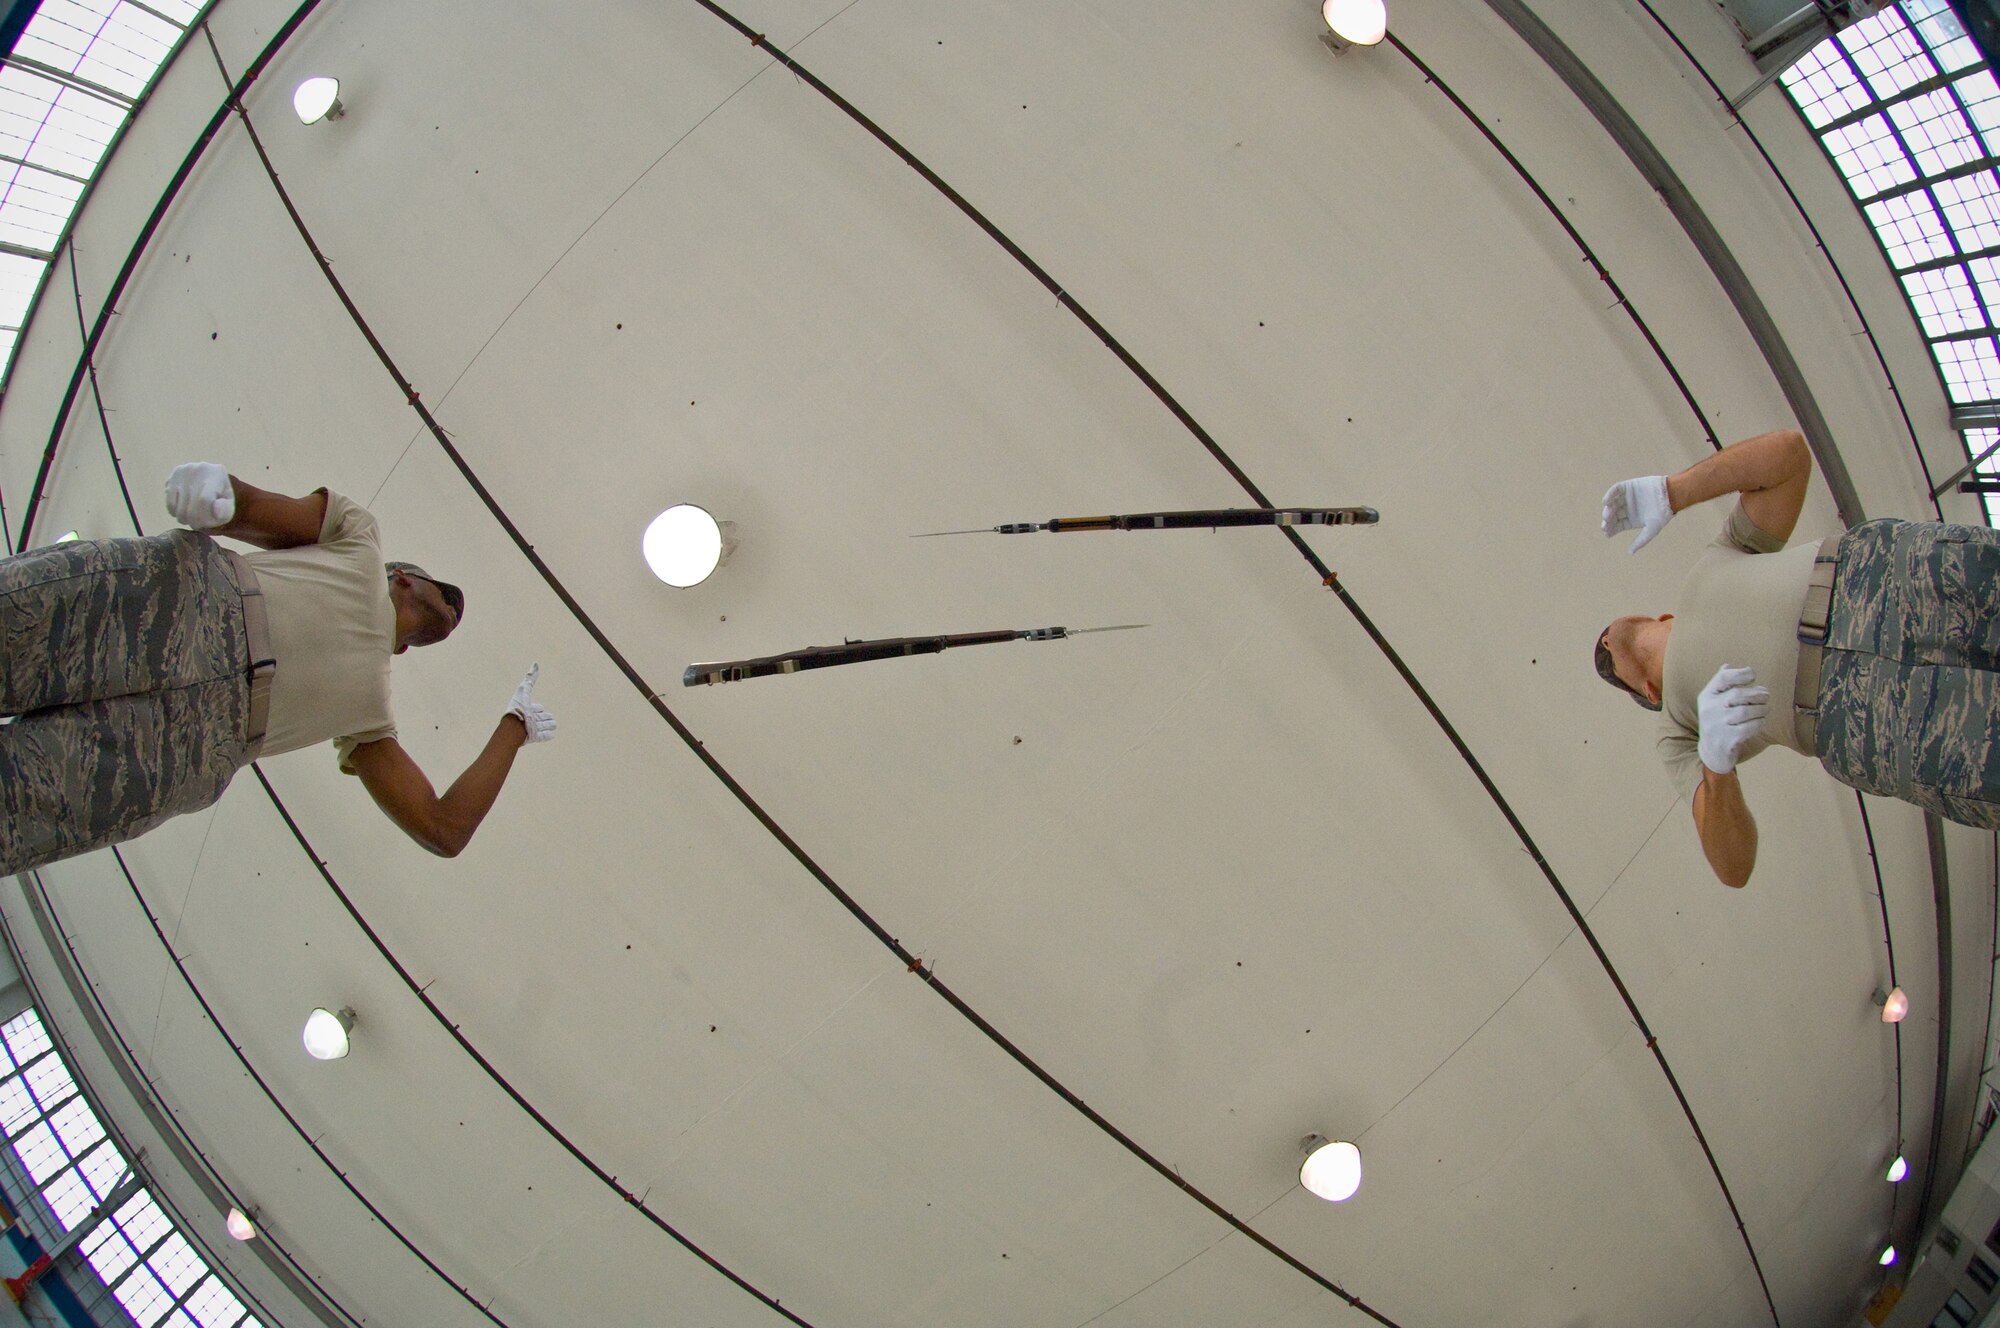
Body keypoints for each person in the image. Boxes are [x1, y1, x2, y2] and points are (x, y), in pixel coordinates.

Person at [1, 461, 555, 876]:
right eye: (447, 593)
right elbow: (258, 511)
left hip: (183, 746)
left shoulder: (369, 718)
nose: (454, 609)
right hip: (182, 604)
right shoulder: (359, 541)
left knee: (24, 799)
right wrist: (221, 497)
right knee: (16, 624)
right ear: (404, 576)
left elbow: (444, 829)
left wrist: (514, 726)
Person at [1596, 427, 2000, 887]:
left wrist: (1672, 492)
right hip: (1871, 717)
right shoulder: (1676, 729)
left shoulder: (1712, 562)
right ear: (1650, 692)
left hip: (1886, 578)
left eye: (1606, 647)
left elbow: (1787, 459)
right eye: (1613, 669)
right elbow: (1734, 867)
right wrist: (1714, 763)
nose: (1605, 646)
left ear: (1665, 615)